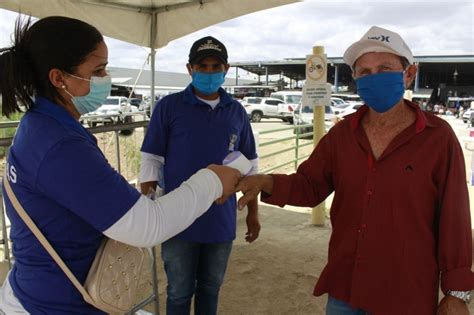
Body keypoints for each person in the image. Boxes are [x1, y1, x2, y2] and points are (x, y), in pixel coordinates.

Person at [0, 16, 241, 314]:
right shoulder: (59, 144)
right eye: (98, 69)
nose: (106, 77)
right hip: (59, 303)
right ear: (58, 78)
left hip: (39, 287)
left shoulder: (40, 125)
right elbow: (148, 225)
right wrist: (212, 179)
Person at [236, 26, 473, 314]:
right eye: (365, 72)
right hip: (346, 289)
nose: (374, 78)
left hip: (405, 293)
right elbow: (310, 186)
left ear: (409, 74)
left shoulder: (438, 137)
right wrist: (266, 181)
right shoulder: (342, 135)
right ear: (356, 80)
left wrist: (456, 292)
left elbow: (454, 217)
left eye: (385, 68)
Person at [140, 36, 260, 314]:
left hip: (221, 220)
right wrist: (147, 208)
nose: (208, 72)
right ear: (190, 69)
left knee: (210, 288)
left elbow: (250, 165)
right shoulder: (169, 107)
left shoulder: (237, 112)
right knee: (179, 292)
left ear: (226, 68)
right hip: (177, 219)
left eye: (215, 66)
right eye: (202, 66)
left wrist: (253, 212)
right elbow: (151, 160)